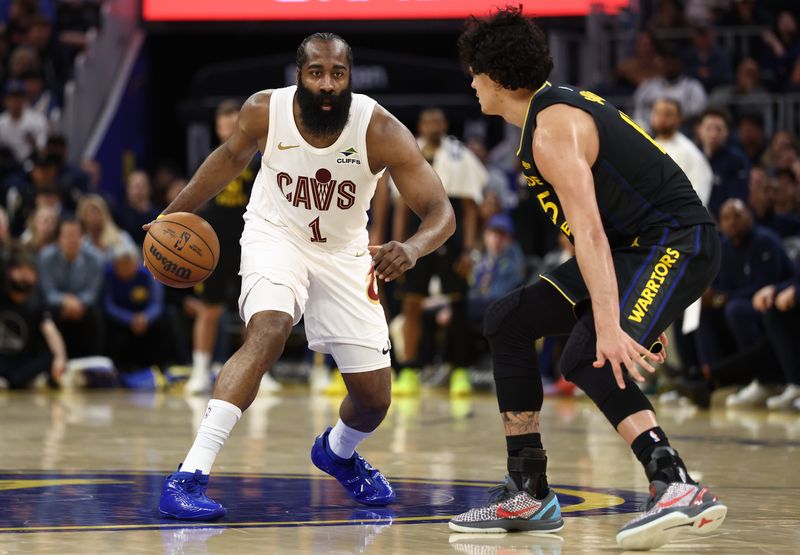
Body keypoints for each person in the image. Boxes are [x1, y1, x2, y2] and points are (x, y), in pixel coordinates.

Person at [451, 8, 726, 550]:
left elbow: (593, 233)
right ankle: (528, 489)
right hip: (636, 255)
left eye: (475, 71)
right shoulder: (545, 115)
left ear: (499, 77)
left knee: (589, 353)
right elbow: (585, 239)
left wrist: (614, 321)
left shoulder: (553, 129)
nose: (471, 82)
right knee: (508, 319)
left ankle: (674, 482)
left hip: (674, 244)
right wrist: (642, 310)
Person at [153, 32, 454, 520]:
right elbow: (226, 161)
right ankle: (188, 475)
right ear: (300, 75)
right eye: (317, 73)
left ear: (349, 77)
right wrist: (172, 213)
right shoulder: (262, 111)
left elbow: (441, 210)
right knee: (268, 331)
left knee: (374, 399)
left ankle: (336, 452)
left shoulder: (378, 128)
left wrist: (413, 247)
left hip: (344, 253)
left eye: (338, 74)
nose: (328, 84)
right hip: (276, 237)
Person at [393, 107, 486, 397]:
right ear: (419, 124)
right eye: (428, 120)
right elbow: (399, 205)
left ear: (446, 124)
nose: (433, 124)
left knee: (457, 305)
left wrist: (469, 250)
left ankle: (459, 370)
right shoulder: (406, 151)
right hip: (414, 237)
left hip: (451, 234)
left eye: (438, 119)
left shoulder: (460, 155)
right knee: (411, 303)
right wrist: (396, 243)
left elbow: (470, 206)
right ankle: (408, 369)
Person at [184, 99, 263, 394]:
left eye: (235, 121)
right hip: (212, 245)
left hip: (250, 241)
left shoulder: (258, 159)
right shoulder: (209, 159)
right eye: (225, 123)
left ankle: (257, 373)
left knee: (254, 311)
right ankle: (200, 371)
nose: (230, 128)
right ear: (217, 128)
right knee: (209, 310)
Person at [0, 246, 67, 389]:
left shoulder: (38, 301)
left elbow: (49, 329)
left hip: (22, 363)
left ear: (35, 276)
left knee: (49, 356)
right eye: (19, 270)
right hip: (2, 360)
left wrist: (60, 357)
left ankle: (18, 380)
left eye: (29, 271)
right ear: (9, 273)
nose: (24, 276)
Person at [38, 218, 104, 358]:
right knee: (47, 314)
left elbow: (92, 292)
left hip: (83, 307)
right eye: (67, 235)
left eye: (76, 235)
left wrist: (77, 303)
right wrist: (65, 301)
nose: (71, 239)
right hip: (57, 307)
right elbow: (48, 292)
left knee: (94, 314)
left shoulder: (95, 258)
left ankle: (92, 362)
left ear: (83, 237)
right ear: (59, 238)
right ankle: (53, 362)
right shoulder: (45, 258)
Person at [103, 242, 167, 373]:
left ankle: (159, 367)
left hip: (144, 319)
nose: (126, 267)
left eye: (129, 263)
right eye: (122, 264)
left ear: (136, 262)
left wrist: (145, 317)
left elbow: (157, 304)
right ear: (115, 264)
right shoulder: (108, 274)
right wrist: (130, 319)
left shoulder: (148, 274)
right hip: (121, 320)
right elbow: (108, 305)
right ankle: (117, 369)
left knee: (164, 321)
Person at [650, 98, 712, 205]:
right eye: (658, 113)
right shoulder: (648, 146)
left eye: (668, 114)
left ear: (679, 119)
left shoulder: (689, 151)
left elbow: (700, 191)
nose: (662, 118)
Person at [697, 106, 750, 218]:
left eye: (719, 129)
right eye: (708, 128)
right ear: (700, 130)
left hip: (726, 222)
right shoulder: (692, 156)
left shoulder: (737, 159)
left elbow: (738, 199)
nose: (713, 134)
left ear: (727, 132)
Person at [76, 194, 135, 262]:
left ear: (104, 214)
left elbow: (133, 262)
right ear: (83, 218)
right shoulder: (82, 245)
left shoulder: (121, 238)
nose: (93, 218)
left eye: (96, 213)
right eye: (89, 214)